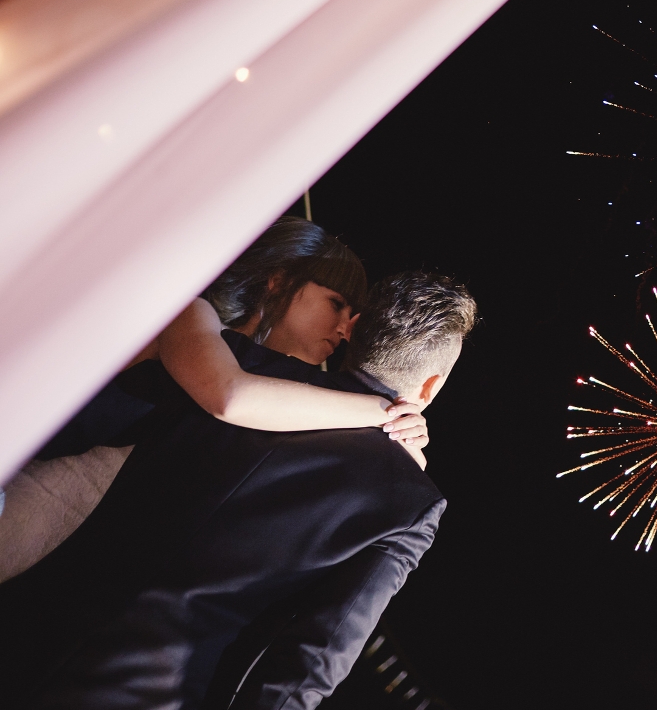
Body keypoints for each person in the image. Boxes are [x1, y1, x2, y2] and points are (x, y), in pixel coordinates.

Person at [0, 271, 475, 710]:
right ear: (431, 387)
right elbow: (311, 664)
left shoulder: (233, 360)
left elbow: (88, 420)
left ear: (353, 330)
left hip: (24, 626)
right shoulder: (409, 502)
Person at [0, 217, 428, 583]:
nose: (343, 328)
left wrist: (402, 442)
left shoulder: (276, 388)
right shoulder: (192, 314)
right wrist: (381, 413)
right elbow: (230, 395)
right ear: (279, 281)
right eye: (335, 303)